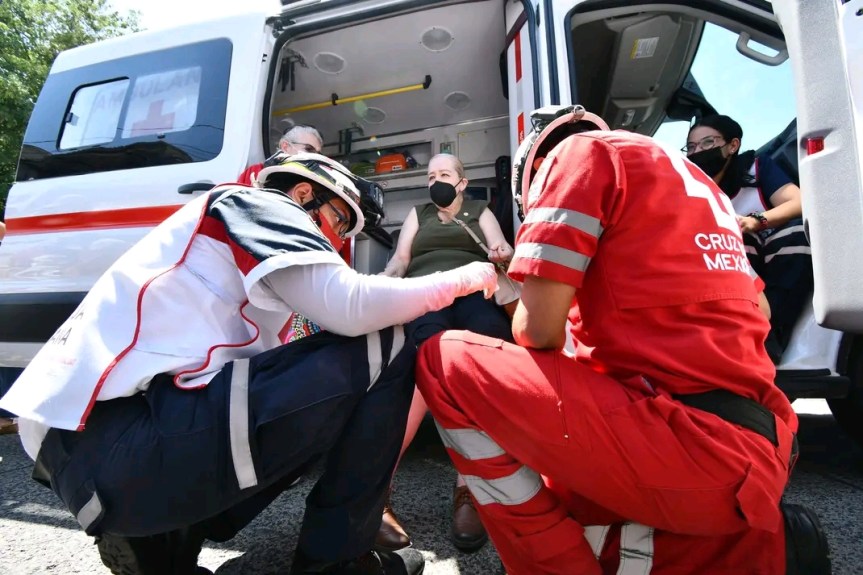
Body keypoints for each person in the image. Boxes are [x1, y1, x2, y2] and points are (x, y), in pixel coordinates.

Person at [0, 153, 498, 575]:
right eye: (339, 222)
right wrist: (463, 278)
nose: (336, 241)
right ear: (303, 194)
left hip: (92, 460)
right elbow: (350, 307)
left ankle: (162, 544)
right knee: (389, 342)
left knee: (310, 396)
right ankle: (338, 561)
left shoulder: (215, 265)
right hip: (125, 445)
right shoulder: (255, 203)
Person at [414, 105, 830, 574]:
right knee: (576, 477)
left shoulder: (577, 156)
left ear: (538, 171)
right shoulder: (698, 187)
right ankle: (761, 553)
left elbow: (537, 330)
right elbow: (761, 309)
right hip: (761, 442)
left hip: (691, 445)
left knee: (443, 361)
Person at [375, 153, 515, 553]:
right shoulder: (419, 214)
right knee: (423, 365)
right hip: (427, 292)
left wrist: (501, 252)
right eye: (431, 174)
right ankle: (376, 490)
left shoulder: (479, 210)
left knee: (484, 362)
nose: (436, 180)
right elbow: (401, 260)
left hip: (474, 291)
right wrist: (382, 286)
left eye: (445, 174)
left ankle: (468, 489)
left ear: (462, 182)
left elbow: (500, 246)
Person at [685, 114, 812, 361]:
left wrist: (755, 221)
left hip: (768, 258)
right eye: (691, 147)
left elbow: (798, 202)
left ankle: (770, 335)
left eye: (707, 143)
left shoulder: (757, 168)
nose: (698, 151)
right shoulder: (691, 186)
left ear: (733, 145)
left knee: (796, 235)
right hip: (722, 272)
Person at [237, 124, 324, 185]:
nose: (315, 156)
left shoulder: (317, 180)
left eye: (318, 154)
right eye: (309, 149)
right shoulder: (254, 172)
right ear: (285, 147)